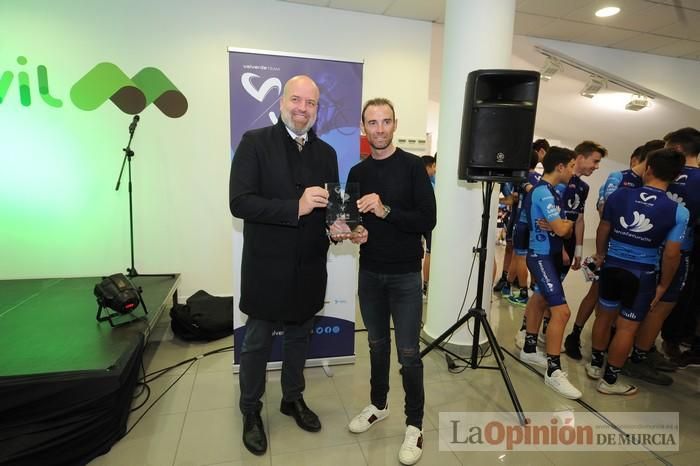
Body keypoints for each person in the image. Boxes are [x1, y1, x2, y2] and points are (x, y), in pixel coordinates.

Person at [229, 75, 339, 455]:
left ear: (316, 109)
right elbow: (239, 203)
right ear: (282, 102)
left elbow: (332, 211)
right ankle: (250, 411)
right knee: (257, 343)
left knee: (298, 338)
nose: (302, 109)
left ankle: (292, 398)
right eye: (296, 100)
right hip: (266, 268)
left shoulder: (326, 154)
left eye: (310, 103)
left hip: (310, 267)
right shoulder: (254, 143)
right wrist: (296, 206)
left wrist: (340, 227)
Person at [345, 98, 436, 466]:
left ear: (395, 124)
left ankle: (414, 424)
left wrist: (385, 210)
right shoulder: (356, 171)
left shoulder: (414, 167)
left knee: (409, 354)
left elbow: (427, 220)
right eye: (372, 122)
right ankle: (379, 404)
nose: (379, 129)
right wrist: (354, 233)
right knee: (378, 346)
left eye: (385, 122)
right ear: (363, 127)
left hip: (405, 275)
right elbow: (350, 221)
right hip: (369, 272)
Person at [586, 148, 688, 395]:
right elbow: (672, 254)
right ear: (674, 178)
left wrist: (601, 255)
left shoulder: (620, 195)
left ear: (649, 168)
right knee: (627, 328)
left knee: (604, 317)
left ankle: (594, 364)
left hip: (612, 266)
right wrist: (663, 285)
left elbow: (603, 228)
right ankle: (609, 382)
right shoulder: (679, 212)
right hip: (643, 274)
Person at [563, 140, 663, 360]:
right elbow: (604, 211)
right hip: (608, 249)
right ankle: (575, 335)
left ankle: (607, 342)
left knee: (616, 301)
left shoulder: (653, 184)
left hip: (634, 256)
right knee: (595, 294)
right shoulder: (620, 178)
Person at [624, 127, 700, 384]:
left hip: (647, 248)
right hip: (677, 250)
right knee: (661, 305)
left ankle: (641, 351)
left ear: (677, 149)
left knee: (645, 303)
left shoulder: (660, 175)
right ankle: (638, 357)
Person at [519, 147, 581, 399]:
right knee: (562, 312)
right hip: (540, 256)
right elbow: (560, 227)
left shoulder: (554, 191)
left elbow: (564, 225)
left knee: (539, 299)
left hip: (550, 255)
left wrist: (566, 225)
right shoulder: (544, 192)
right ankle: (554, 371)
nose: (574, 171)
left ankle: (529, 348)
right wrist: (564, 226)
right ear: (561, 167)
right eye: (573, 166)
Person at [421, 155, 436, 297]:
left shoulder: (430, 181)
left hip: (424, 223)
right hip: (431, 223)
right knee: (430, 253)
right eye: (434, 167)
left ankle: (425, 286)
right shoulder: (429, 184)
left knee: (429, 253)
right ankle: (425, 287)